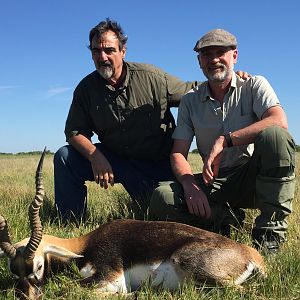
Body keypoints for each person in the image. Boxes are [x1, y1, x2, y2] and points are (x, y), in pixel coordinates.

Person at [54, 19, 249, 222]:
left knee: (160, 212)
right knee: (65, 157)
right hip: (118, 161)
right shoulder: (86, 89)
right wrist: (95, 155)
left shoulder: (152, 78)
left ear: (123, 51)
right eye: (96, 51)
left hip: (158, 164)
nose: (102, 57)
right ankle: (70, 222)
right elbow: (74, 132)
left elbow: (193, 91)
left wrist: (230, 79)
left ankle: (226, 216)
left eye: (109, 50)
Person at [149, 29, 295, 254]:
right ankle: (226, 220)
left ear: (234, 56)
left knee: (275, 136)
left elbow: (279, 120)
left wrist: (225, 140)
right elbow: (178, 153)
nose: (214, 59)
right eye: (207, 54)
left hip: (253, 178)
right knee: (162, 197)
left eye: (221, 52)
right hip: (214, 182)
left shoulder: (254, 85)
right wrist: (190, 185)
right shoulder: (190, 101)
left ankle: (269, 237)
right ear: (199, 61)